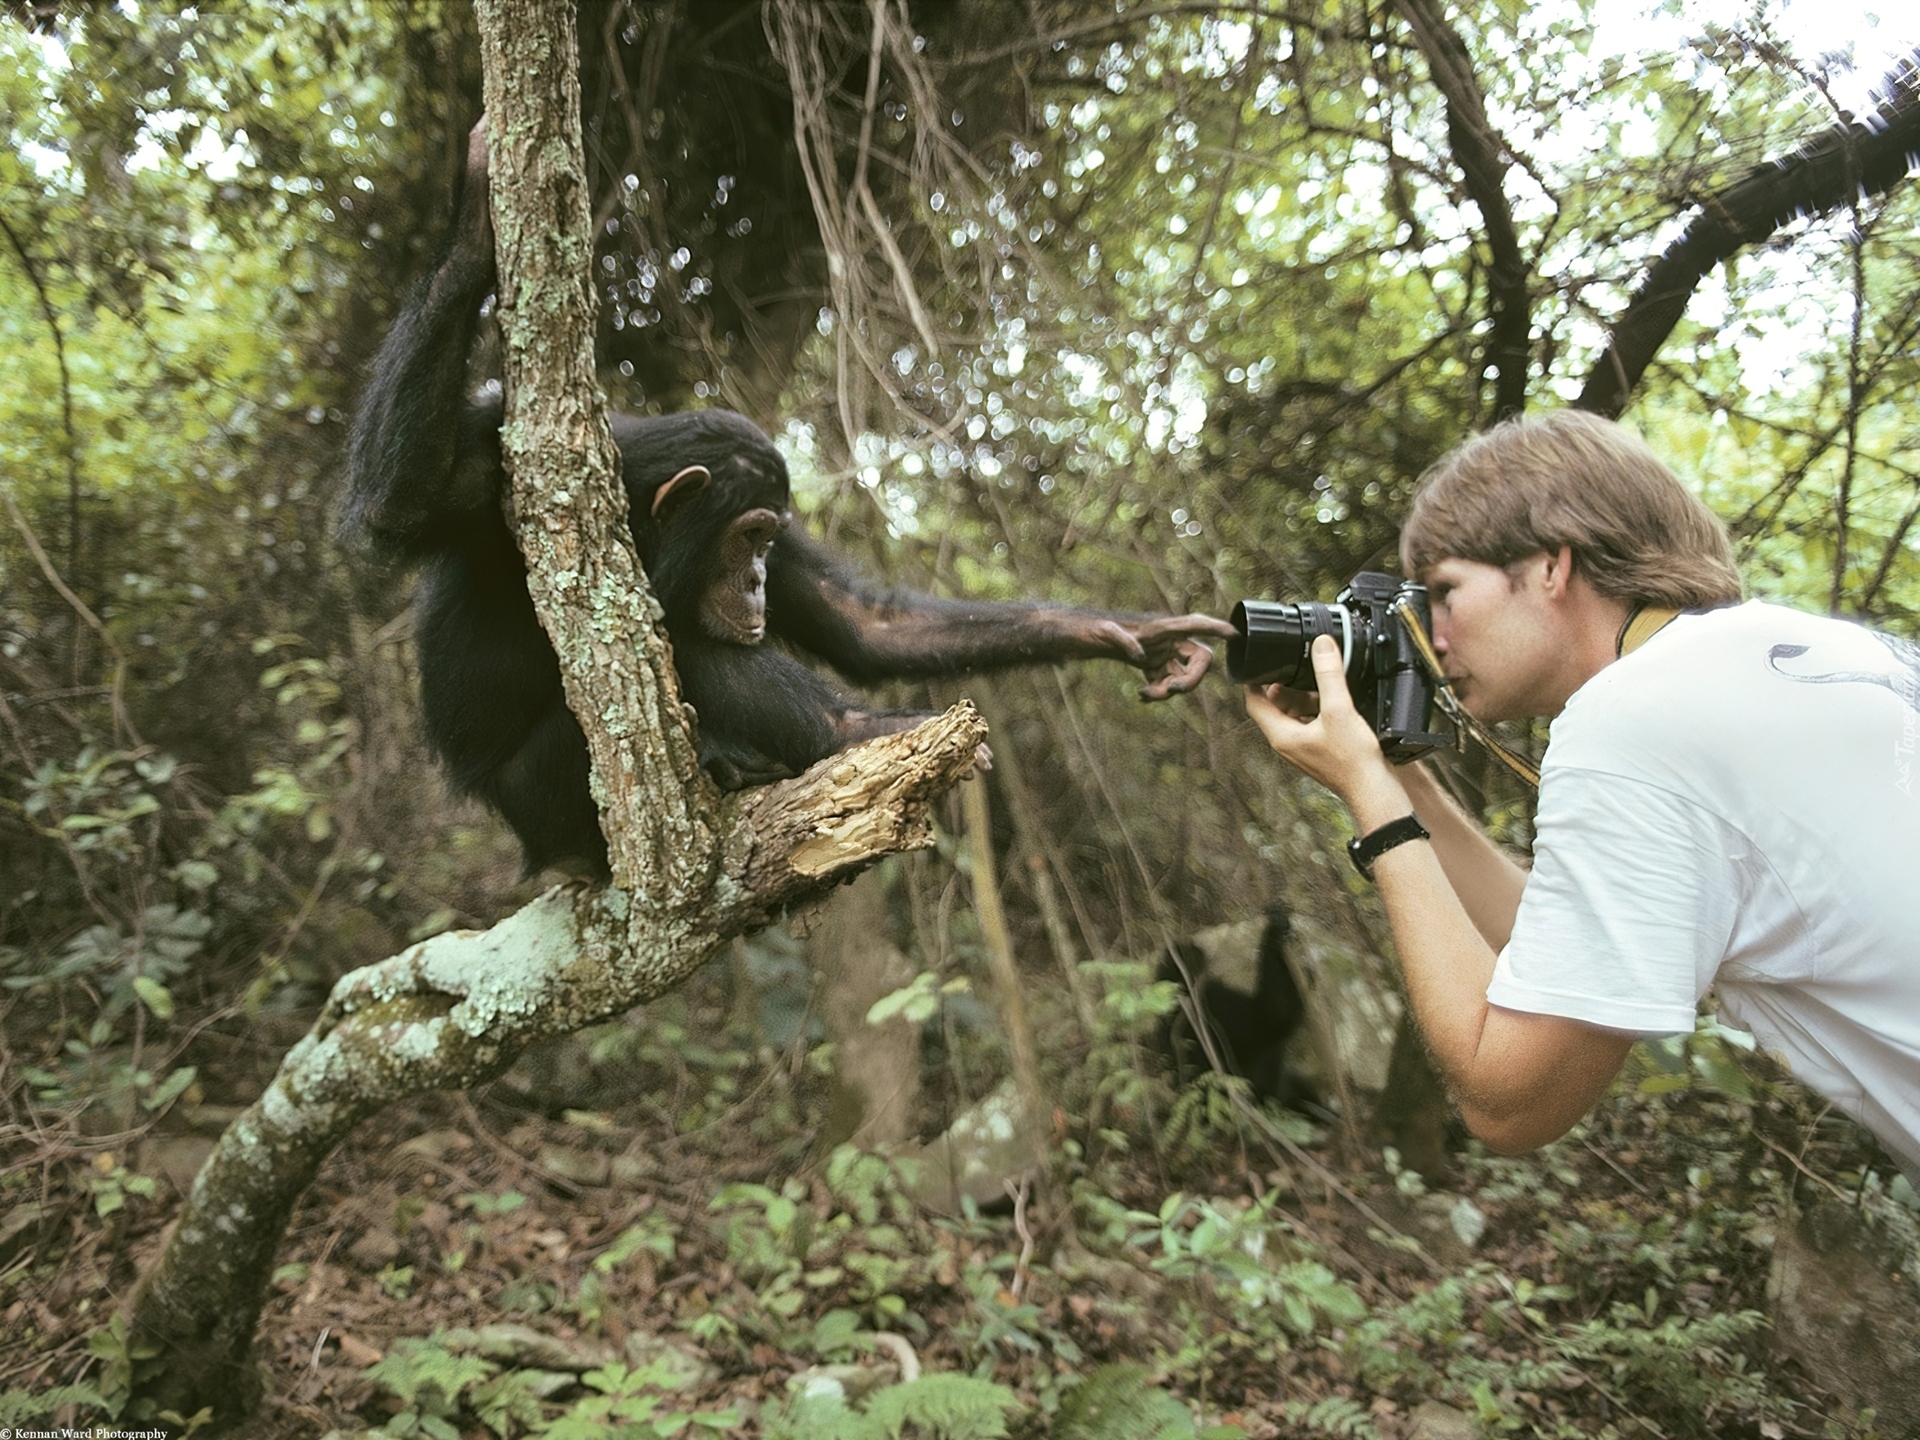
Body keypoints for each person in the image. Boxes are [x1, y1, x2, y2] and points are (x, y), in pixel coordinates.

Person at [1245, 409, 1920, 1181]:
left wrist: (1368, 794)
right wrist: (1395, 772)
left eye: (1444, 592)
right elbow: (1558, 939)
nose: (1431, 636)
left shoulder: (1633, 719)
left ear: (1550, 568)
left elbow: (1509, 1102)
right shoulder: (1787, 652)